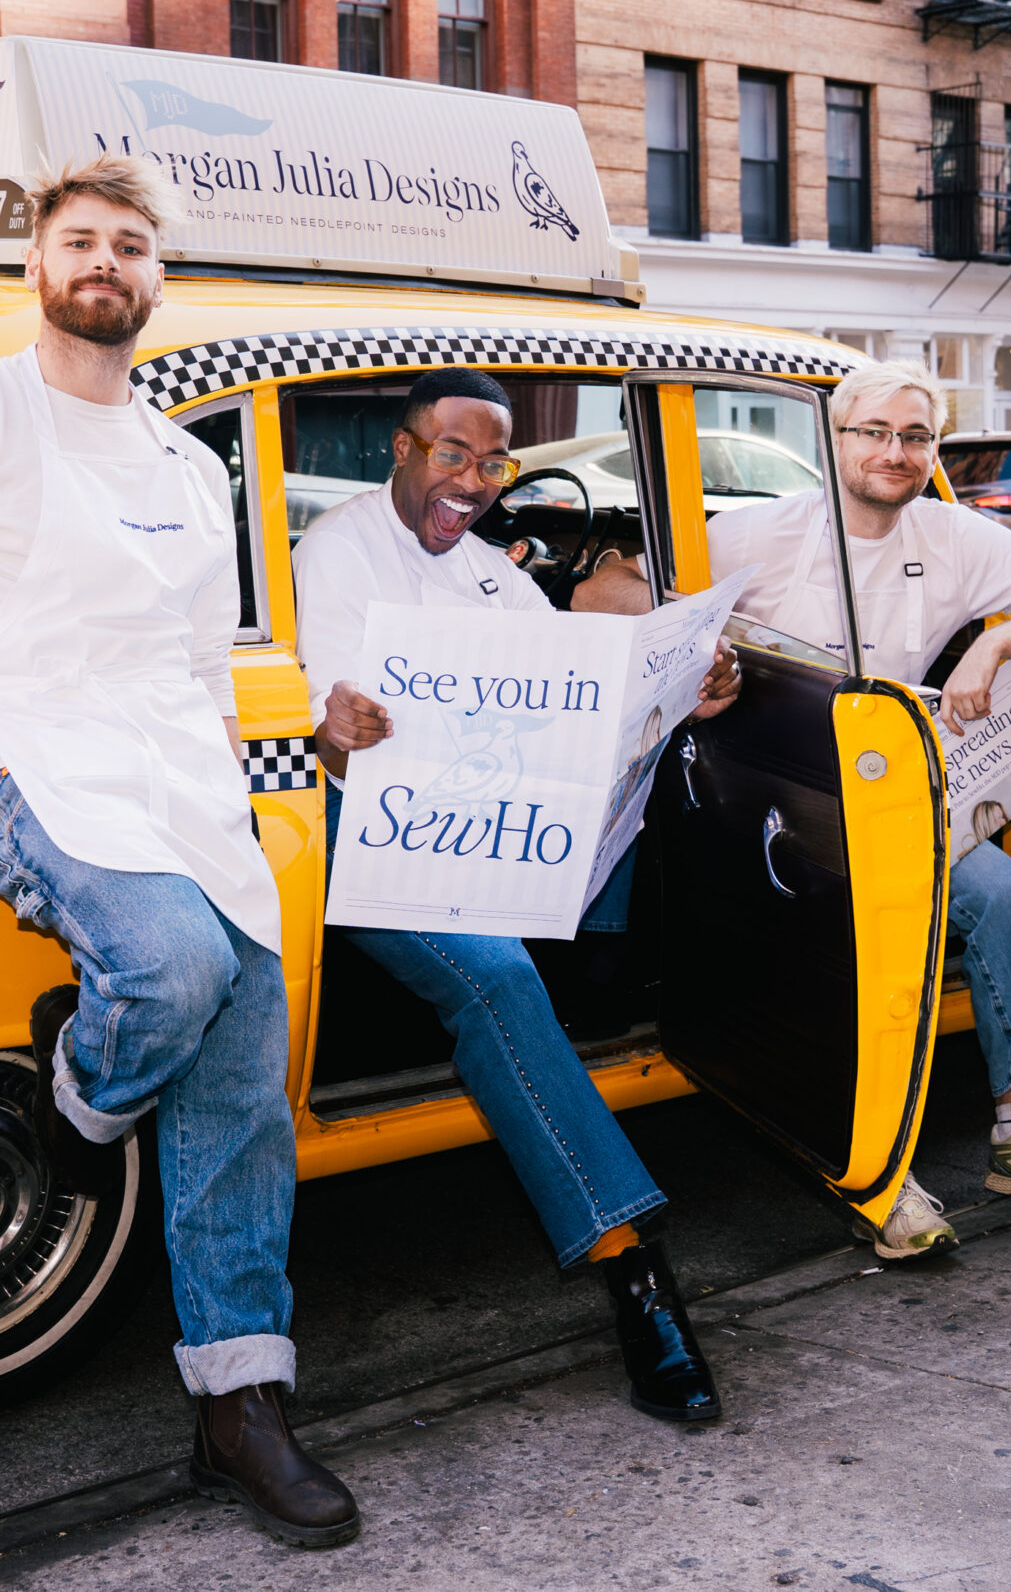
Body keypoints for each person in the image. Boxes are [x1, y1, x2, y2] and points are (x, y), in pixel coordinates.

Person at [0, 154, 358, 1550]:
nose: (107, 262)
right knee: (162, 971)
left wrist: (236, 783)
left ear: (157, 282)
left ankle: (243, 1405)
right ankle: (81, 1099)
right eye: (81, 240)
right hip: (34, 771)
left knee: (244, 1095)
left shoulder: (182, 456)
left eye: (131, 246)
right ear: (37, 268)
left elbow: (198, 662)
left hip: (187, 791)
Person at [575, 357, 1011, 1261]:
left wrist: (998, 647)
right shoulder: (757, 530)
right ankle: (875, 1165)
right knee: (852, 926)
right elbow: (598, 595)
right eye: (873, 432)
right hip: (766, 796)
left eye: (915, 436)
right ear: (832, 440)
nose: (895, 451)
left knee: (1000, 891)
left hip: (895, 799)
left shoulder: (957, 536)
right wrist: (702, 638)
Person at [292, 366, 740, 1422]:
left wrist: (688, 685)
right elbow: (316, 704)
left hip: (484, 825)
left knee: (650, 806)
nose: (475, 480)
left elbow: (572, 691)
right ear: (400, 449)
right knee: (493, 978)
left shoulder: (493, 568)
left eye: (494, 463)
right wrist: (332, 723)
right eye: (452, 454)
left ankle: (591, 986)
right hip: (373, 836)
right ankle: (634, 1269)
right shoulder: (337, 550)